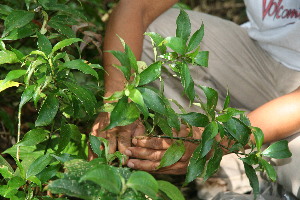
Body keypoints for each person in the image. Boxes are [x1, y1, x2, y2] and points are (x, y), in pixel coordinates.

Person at [89, 0, 300, 197]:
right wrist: (117, 102)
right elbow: (137, 6)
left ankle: (259, 158)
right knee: (154, 35)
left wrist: (216, 140)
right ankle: (233, 174)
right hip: (264, 57)